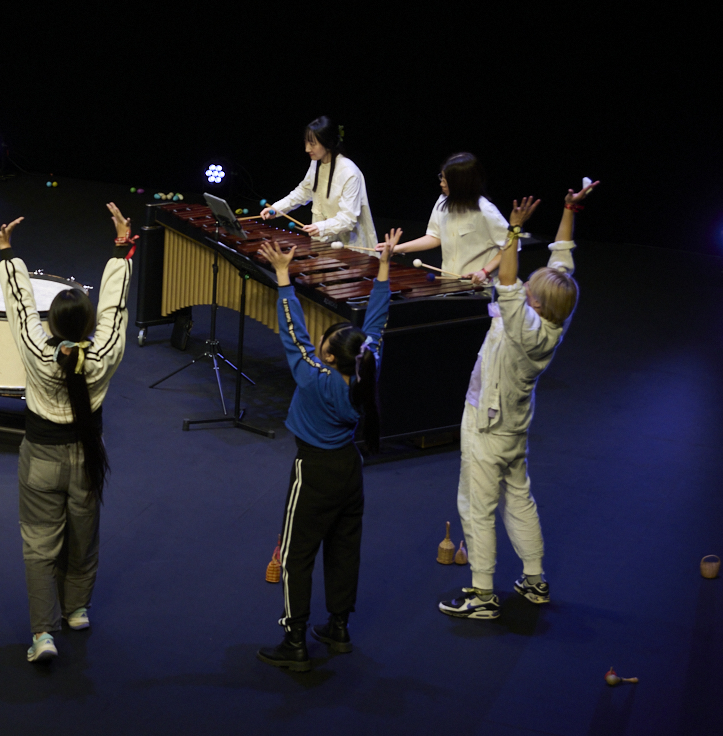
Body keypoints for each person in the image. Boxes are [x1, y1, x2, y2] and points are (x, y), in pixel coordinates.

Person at [438, 182, 594, 620]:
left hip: (487, 423)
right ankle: (534, 580)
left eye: (530, 292)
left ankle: (483, 595)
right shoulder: (558, 310)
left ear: (537, 305)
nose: (525, 288)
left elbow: (507, 281)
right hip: (514, 425)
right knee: (519, 498)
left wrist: (513, 232)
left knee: (477, 507)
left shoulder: (525, 327)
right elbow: (561, 257)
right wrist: (569, 210)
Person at [252, 226, 400, 669]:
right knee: (343, 548)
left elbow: (292, 332)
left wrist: (283, 277)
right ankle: (338, 627)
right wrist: (384, 270)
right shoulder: (367, 367)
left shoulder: (315, 378)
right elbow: (376, 325)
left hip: (314, 471)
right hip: (349, 472)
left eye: (326, 344)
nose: (319, 344)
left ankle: (294, 640)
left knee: (296, 556)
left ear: (331, 357)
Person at [0, 207, 133, 664]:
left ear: (51, 325)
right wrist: (121, 251)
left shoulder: (37, 350)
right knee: (84, 535)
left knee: (39, 546)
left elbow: (19, 306)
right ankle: (76, 610)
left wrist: (8, 254)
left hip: (41, 459)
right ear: (88, 326)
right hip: (87, 458)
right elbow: (115, 309)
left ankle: (43, 634)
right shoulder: (104, 352)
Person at [380, 151, 511, 282]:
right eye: (441, 178)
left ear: (460, 184)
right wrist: (397, 249)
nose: (441, 184)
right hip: (450, 283)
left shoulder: (486, 211)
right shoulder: (443, 201)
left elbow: (511, 246)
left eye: (445, 180)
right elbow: (434, 237)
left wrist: (484, 271)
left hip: (478, 287)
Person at [260, 115, 378, 250]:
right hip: (323, 242)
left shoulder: (350, 173)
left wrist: (321, 227)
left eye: (312, 144)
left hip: (351, 247)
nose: (307, 149)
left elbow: (348, 218)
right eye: (306, 142)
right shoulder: (316, 163)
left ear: (328, 143)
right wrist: (276, 209)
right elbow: (303, 192)